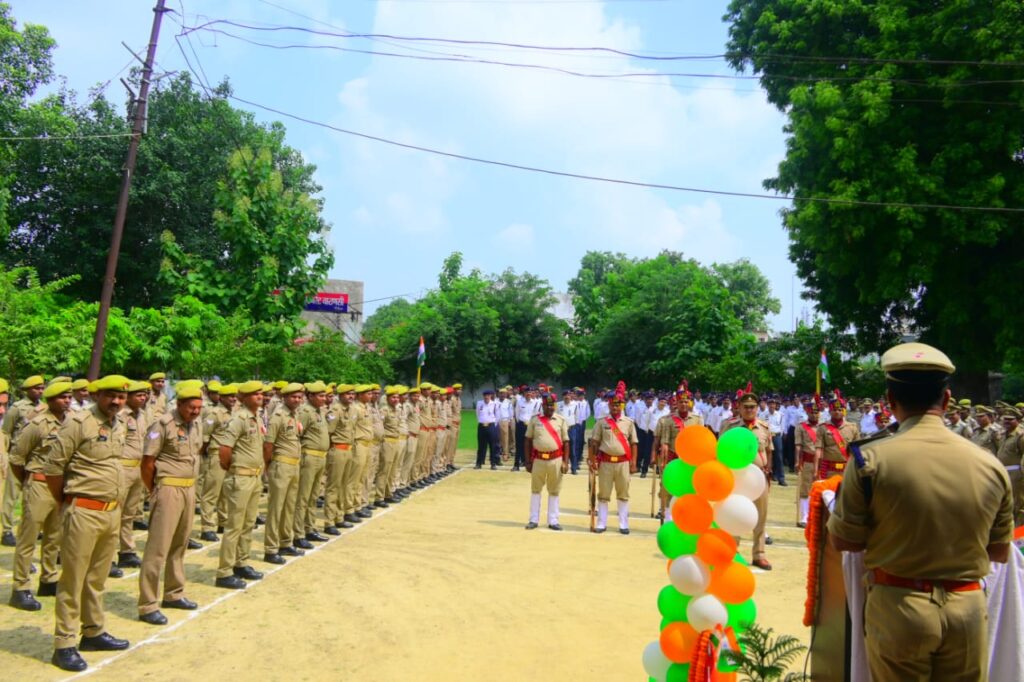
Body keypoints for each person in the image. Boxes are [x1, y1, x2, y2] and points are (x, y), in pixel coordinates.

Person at [828, 342, 1014, 681]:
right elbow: (1000, 551)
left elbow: (844, 541)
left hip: (899, 606)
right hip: (967, 607)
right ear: (946, 399)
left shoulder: (869, 460)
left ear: (890, 399)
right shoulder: (990, 465)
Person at [42, 375, 132, 672]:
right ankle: (64, 643)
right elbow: (53, 468)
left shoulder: (119, 424)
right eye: (110, 395)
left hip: (111, 512)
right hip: (83, 510)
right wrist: (66, 502)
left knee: (97, 578)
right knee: (73, 579)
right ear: (96, 395)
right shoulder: (78, 423)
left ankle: (93, 631)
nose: (116, 401)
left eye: (121, 397)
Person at [137, 381, 204, 625]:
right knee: (158, 548)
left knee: (179, 545)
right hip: (168, 489)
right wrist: (155, 490)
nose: (195, 412)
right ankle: (148, 604)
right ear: (180, 404)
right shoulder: (163, 424)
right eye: (191, 407)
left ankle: (174, 593)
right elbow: (147, 463)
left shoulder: (196, 424)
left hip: (188, 488)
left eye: (199, 408)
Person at [8, 381, 72, 611]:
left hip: (60, 485)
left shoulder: (72, 422)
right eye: (63, 397)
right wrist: (29, 480)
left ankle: (49, 578)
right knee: (28, 537)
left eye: (69, 397)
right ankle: (20, 587)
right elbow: (17, 458)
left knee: (54, 536)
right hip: (39, 484)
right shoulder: (36, 424)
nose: (68, 401)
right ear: (51, 399)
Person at [214, 381, 266, 590]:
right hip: (241, 478)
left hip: (254, 477)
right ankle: (224, 572)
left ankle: (241, 563)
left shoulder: (256, 417)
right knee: (234, 526)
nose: (260, 397)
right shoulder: (239, 419)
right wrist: (232, 469)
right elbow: (225, 449)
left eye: (261, 393)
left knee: (248, 523)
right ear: (243, 398)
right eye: (255, 394)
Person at [721, 394, 773, 570]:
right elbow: (721, 449)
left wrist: (768, 470)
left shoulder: (764, 427)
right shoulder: (729, 426)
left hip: (759, 477)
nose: (749, 410)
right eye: (746, 407)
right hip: (737, 478)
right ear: (739, 408)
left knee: (761, 516)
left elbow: (769, 451)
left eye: (752, 407)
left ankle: (759, 554)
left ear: (757, 408)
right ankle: (733, 552)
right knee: (735, 514)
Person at [261, 383, 306, 566]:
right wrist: (268, 466)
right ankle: (271, 549)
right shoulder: (278, 416)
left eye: (299, 397)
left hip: (293, 465)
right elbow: (268, 445)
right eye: (293, 397)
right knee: (276, 508)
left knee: (289, 507)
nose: (297, 400)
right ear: (285, 397)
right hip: (281, 465)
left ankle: (286, 542)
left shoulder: (294, 415)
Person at [2, 374, 45, 546]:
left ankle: (30, 528)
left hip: (35, 458)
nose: (40, 391)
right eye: (36, 388)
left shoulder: (44, 407)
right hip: (17, 456)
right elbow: (6, 432)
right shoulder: (17, 408)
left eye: (41, 388)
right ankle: (6, 530)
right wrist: (5, 455)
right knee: (11, 495)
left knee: (31, 495)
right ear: (27, 390)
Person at [588, 391, 638, 534]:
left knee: (623, 493)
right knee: (603, 494)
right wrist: (592, 459)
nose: (615, 407)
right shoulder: (601, 422)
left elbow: (634, 443)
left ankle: (623, 524)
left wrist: (633, 462)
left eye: (618, 405)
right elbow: (594, 442)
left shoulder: (629, 422)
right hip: (606, 463)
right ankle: (601, 523)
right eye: (612, 405)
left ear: (622, 406)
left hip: (623, 463)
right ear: (609, 406)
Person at [116, 381, 150, 569]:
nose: (143, 398)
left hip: (138, 468)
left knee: (129, 513)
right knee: (115, 513)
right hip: (123, 468)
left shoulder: (143, 415)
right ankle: (107, 556)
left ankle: (126, 551)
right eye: (138, 395)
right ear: (128, 397)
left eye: (144, 395)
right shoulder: (120, 415)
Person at [654, 391, 703, 522]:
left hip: (689, 461)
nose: (683, 404)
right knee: (668, 487)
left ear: (690, 403)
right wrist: (662, 459)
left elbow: (700, 440)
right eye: (681, 402)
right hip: (673, 458)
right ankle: (667, 516)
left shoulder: (697, 419)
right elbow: (664, 441)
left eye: (686, 401)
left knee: (689, 488)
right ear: (677, 403)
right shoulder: (668, 420)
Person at [524, 393, 570, 530]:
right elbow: (527, 440)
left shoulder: (561, 420)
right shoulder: (535, 420)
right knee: (535, 490)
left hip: (556, 460)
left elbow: (566, 442)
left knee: (554, 490)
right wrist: (528, 461)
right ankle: (533, 520)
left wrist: (565, 462)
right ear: (542, 406)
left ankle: (553, 521)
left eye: (551, 405)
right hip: (538, 460)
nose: (550, 407)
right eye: (547, 405)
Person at [198, 383, 236, 542]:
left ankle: (223, 522)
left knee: (226, 492)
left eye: (234, 396)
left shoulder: (234, 412)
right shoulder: (214, 414)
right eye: (230, 396)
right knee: (211, 492)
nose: (233, 399)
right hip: (216, 455)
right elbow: (204, 435)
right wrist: (204, 454)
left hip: (230, 455)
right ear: (222, 398)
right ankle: (207, 528)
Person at [814, 398, 861, 481]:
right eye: (834, 410)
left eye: (840, 410)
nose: (837, 412)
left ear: (844, 411)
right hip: (828, 470)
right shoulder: (822, 428)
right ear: (829, 411)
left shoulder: (852, 427)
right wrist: (816, 470)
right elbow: (818, 450)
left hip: (847, 470)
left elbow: (857, 449)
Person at [794, 400, 819, 528]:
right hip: (807, 461)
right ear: (807, 412)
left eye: (816, 412)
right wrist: (797, 461)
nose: (814, 414)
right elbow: (798, 445)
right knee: (805, 488)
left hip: (822, 462)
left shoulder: (824, 427)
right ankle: (804, 516)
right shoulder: (801, 427)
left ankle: (817, 516)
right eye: (811, 412)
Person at [996, 408, 1024, 526]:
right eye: (1005, 419)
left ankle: (1020, 534)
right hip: (1004, 474)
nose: (1006, 421)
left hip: (1017, 476)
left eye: (1010, 419)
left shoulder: (1020, 436)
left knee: (1019, 506)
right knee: (1007, 505)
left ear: (1018, 420)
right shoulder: (1003, 435)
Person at [475, 389, 500, 469]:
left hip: (491, 426)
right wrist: (481, 421)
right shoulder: (479, 403)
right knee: (481, 446)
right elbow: (477, 414)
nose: (486, 397)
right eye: (485, 395)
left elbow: (497, 416)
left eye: (488, 395)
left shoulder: (495, 404)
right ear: (483, 396)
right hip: (482, 426)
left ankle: (493, 464)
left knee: (492, 445)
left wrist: (493, 424)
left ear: (491, 396)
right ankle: (479, 463)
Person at [635, 392, 656, 478]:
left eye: (651, 399)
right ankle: (638, 465)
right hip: (642, 430)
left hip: (651, 432)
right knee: (640, 449)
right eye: (648, 399)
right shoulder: (640, 407)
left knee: (648, 451)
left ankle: (645, 469)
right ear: (645, 400)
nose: (649, 401)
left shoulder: (655, 408)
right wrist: (642, 428)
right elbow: (637, 419)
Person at [767, 398, 786, 485]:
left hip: (776, 436)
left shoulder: (780, 415)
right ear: (768, 405)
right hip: (767, 437)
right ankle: (769, 476)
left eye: (773, 404)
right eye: (770, 404)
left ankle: (781, 478)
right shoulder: (763, 415)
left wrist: (779, 436)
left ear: (775, 405)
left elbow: (782, 427)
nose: (771, 406)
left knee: (778, 457)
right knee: (767, 456)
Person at [496, 386, 513, 463]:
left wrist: (509, 422)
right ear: (499, 394)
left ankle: (505, 454)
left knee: (505, 439)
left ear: (506, 394)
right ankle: (496, 454)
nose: (502, 395)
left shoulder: (508, 402)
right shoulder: (495, 401)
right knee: (496, 438)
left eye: (504, 393)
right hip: (496, 421)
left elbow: (511, 413)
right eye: (501, 393)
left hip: (505, 421)